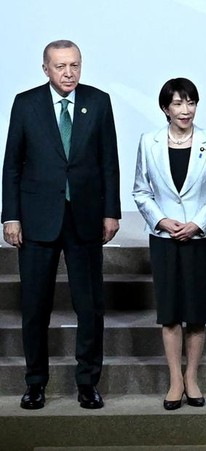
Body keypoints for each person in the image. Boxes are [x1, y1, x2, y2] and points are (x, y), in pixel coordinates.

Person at [2, 40, 120, 410]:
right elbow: (12, 165)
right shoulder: (26, 103)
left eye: (75, 65)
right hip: (37, 220)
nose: (69, 73)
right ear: (46, 69)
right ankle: (36, 383)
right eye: (60, 66)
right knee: (36, 307)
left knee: (90, 306)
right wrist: (11, 215)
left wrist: (111, 211)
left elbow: (108, 162)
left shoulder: (98, 102)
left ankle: (87, 383)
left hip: (85, 218)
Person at [132, 78, 206, 410]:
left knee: (197, 313)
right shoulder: (149, 142)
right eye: (177, 104)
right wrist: (161, 220)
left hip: (200, 237)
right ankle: (175, 380)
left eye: (190, 103)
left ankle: (192, 378)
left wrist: (197, 224)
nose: (185, 110)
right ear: (165, 108)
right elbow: (140, 191)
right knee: (171, 313)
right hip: (164, 237)